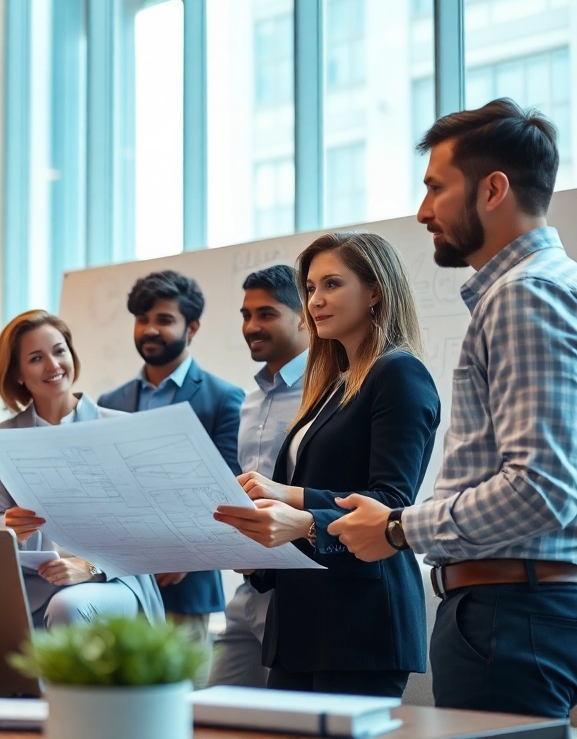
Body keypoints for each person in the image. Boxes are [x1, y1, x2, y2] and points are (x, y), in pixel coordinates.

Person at [329, 99, 577, 719]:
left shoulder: (528, 296)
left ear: (493, 190)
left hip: (513, 614)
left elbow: (541, 489)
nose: (423, 212)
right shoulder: (563, 287)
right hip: (529, 611)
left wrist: (397, 528)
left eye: (436, 188)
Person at [214, 232, 440, 697]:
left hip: (361, 621)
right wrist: (260, 549)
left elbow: (390, 502)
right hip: (301, 622)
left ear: (375, 291)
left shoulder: (399, 372)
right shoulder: (334, 384)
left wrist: (291, 501)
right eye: (311, 288)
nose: (315, 300)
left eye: (332, 284)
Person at [98, 271, 243, 665]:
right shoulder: (109, 402)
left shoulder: (224, 398)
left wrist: (187, 555)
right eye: (142, 319)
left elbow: (227, 490)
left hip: (185, 585)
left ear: (191, 327)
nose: (150, 329)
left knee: (181, 699)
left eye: (164, 319)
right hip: (117, 583)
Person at [0, 310, 165, 628]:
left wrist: (89, 567)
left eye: (59, 351)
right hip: (33, 584)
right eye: (36, 358)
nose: (53, 365)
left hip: (112, 579)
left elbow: (145, 529)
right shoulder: (3, 437)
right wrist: (9, 525)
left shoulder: (119, 428)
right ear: (17, 374)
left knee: (68, 607)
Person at [208, 264, 308, 688]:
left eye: (266, 314)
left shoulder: (328, 391)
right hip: (247, 584)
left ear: (303, 316)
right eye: (246, 315)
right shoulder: (248, 403)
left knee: (288, 713)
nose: (251, 326)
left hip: (299, 589)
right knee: (213, 710)